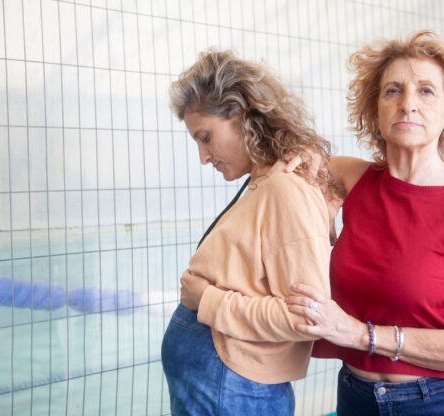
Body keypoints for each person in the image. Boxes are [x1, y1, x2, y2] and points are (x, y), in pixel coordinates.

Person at [286, 31, 444, 415]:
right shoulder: (353, 178)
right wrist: (315, 197)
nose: (408, 104)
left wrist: (359, 334)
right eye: (393, 91)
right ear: (375, 112)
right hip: (356, 397)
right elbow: (295, 161)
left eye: (426, 91)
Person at [161, 49, 338, 415]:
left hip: (232, 386)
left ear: (241, 117)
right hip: (225, 384)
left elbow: (306, 317)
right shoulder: (265, 181)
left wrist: (207, 300)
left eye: (206, 137)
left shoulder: (285, 188)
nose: (203, 157)